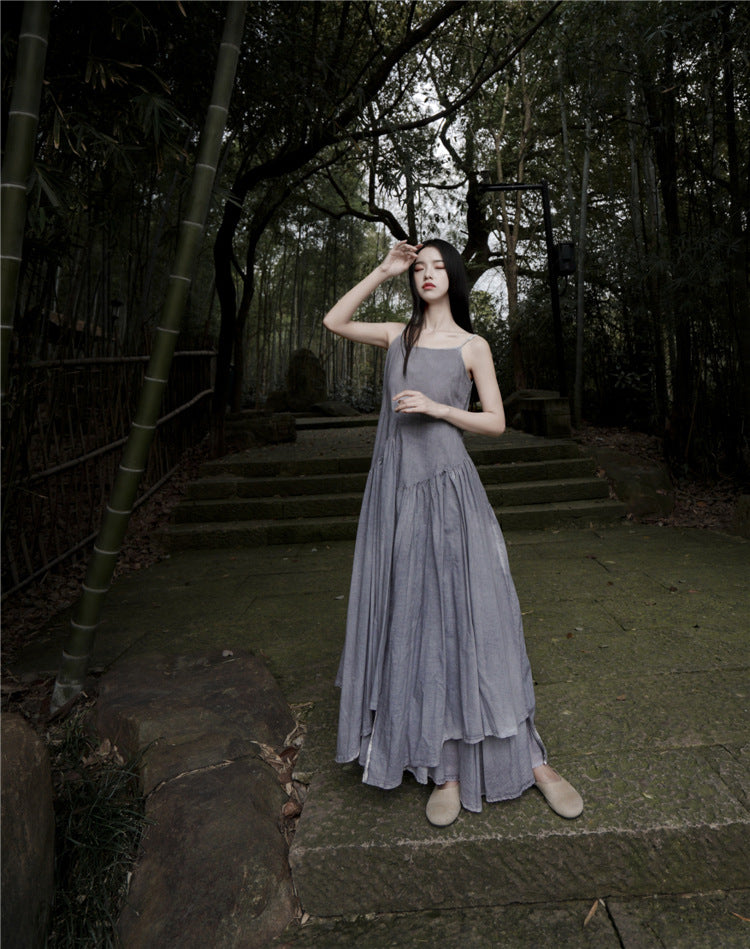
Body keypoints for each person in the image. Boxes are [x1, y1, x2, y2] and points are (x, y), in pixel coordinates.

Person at [323, 239, 583, 826]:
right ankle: (445, 767)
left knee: (481, 618)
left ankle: (531, 757)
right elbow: (334, 321)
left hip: (451, 493)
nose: (427, 274)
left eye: (439, 267)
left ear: (455, 278)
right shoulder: (397, 336)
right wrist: (383, 269)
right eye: (419, 268)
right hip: (397, 495)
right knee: (417, 620)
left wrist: (439, 409)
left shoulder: (473, 345)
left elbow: (496, 421)